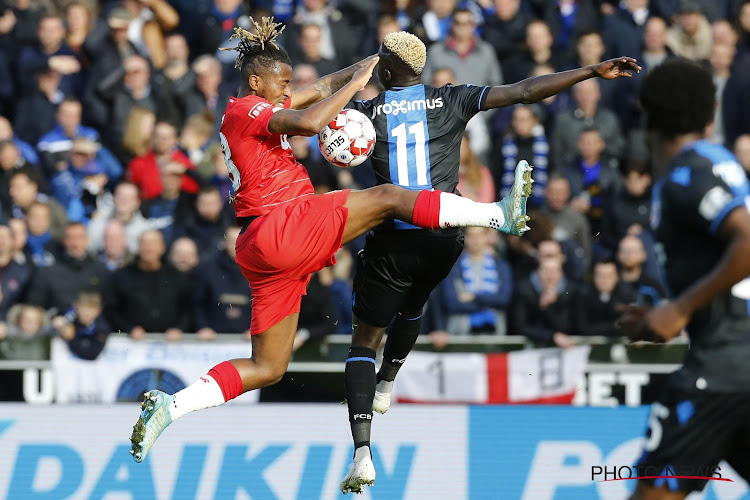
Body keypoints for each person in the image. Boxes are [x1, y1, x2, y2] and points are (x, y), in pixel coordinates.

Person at [128, 16, 536, 469]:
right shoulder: (246, 108)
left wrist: (368, 62)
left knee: (268, 368)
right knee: (387, 198)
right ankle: (497, 214)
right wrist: (358, 84)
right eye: (281, 84)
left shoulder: (259, 108)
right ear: (254, 80)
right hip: (283, 224)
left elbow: (318, 88)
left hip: (263, 249)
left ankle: (172, 406)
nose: (287, 91)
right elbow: (308, 120)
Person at [340, 30, 638, 493]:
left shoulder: (364, 114)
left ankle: (362, 452)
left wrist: (346, 81)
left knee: (363, 340)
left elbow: (309, 121)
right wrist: (589, 71)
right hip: (445, 234)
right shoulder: (451, 98)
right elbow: (524, 90)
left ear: (383, 71)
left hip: (393, 241)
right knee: (416, 301)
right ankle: (388, 383)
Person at [618, 58, 750, 500]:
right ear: (710, 113)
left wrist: (680, 309)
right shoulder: (718, 162)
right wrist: (665, 314)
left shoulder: (685, 172)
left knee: (651, 493)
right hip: (736, 361)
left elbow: (748, 242)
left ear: (646, 112)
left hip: (723, 367)